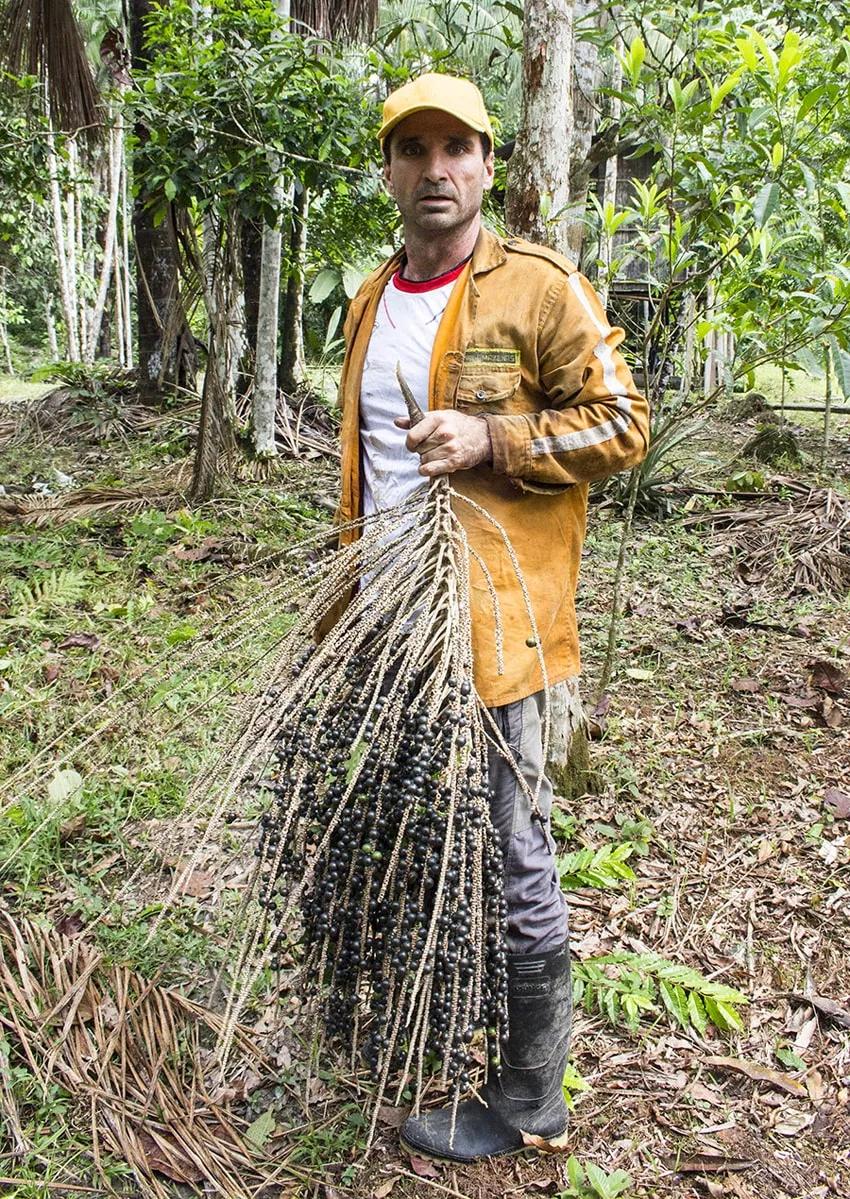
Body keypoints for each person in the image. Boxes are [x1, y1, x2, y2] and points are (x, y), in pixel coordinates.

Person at [334, 73, 650, 1163]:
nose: (434, 170)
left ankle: (527, 1100)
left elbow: (620, 424)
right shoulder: (372, 297)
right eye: (411, 149)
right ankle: (424, 1026)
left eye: (455, 149)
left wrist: (493, 441)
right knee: (429, 835)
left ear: (486, 165)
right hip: (387, 628)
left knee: (515, 854)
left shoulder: (539, 287)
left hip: (493, 624)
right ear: (388, 169)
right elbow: (368, 469)